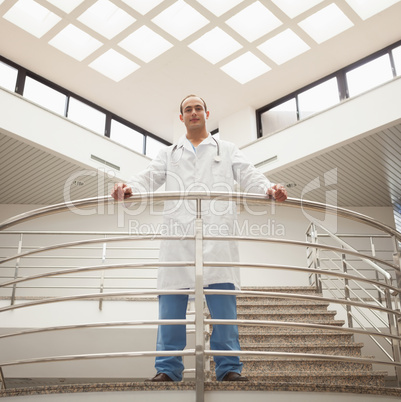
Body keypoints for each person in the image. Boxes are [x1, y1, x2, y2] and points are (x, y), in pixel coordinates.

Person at [111, 95, 287, 382]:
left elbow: (250, 176)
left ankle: (228, 368)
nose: (193, 112)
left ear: (207, 113)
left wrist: (270, 189)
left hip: (217, 240)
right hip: (177, 241)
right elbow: (148, 177)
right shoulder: (168, 153)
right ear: (181, 118)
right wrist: (128, 188)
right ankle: (167, 369)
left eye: (197, 108)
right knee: (170, 311)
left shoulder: (227, 149)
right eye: (187, 109)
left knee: (223, 312)